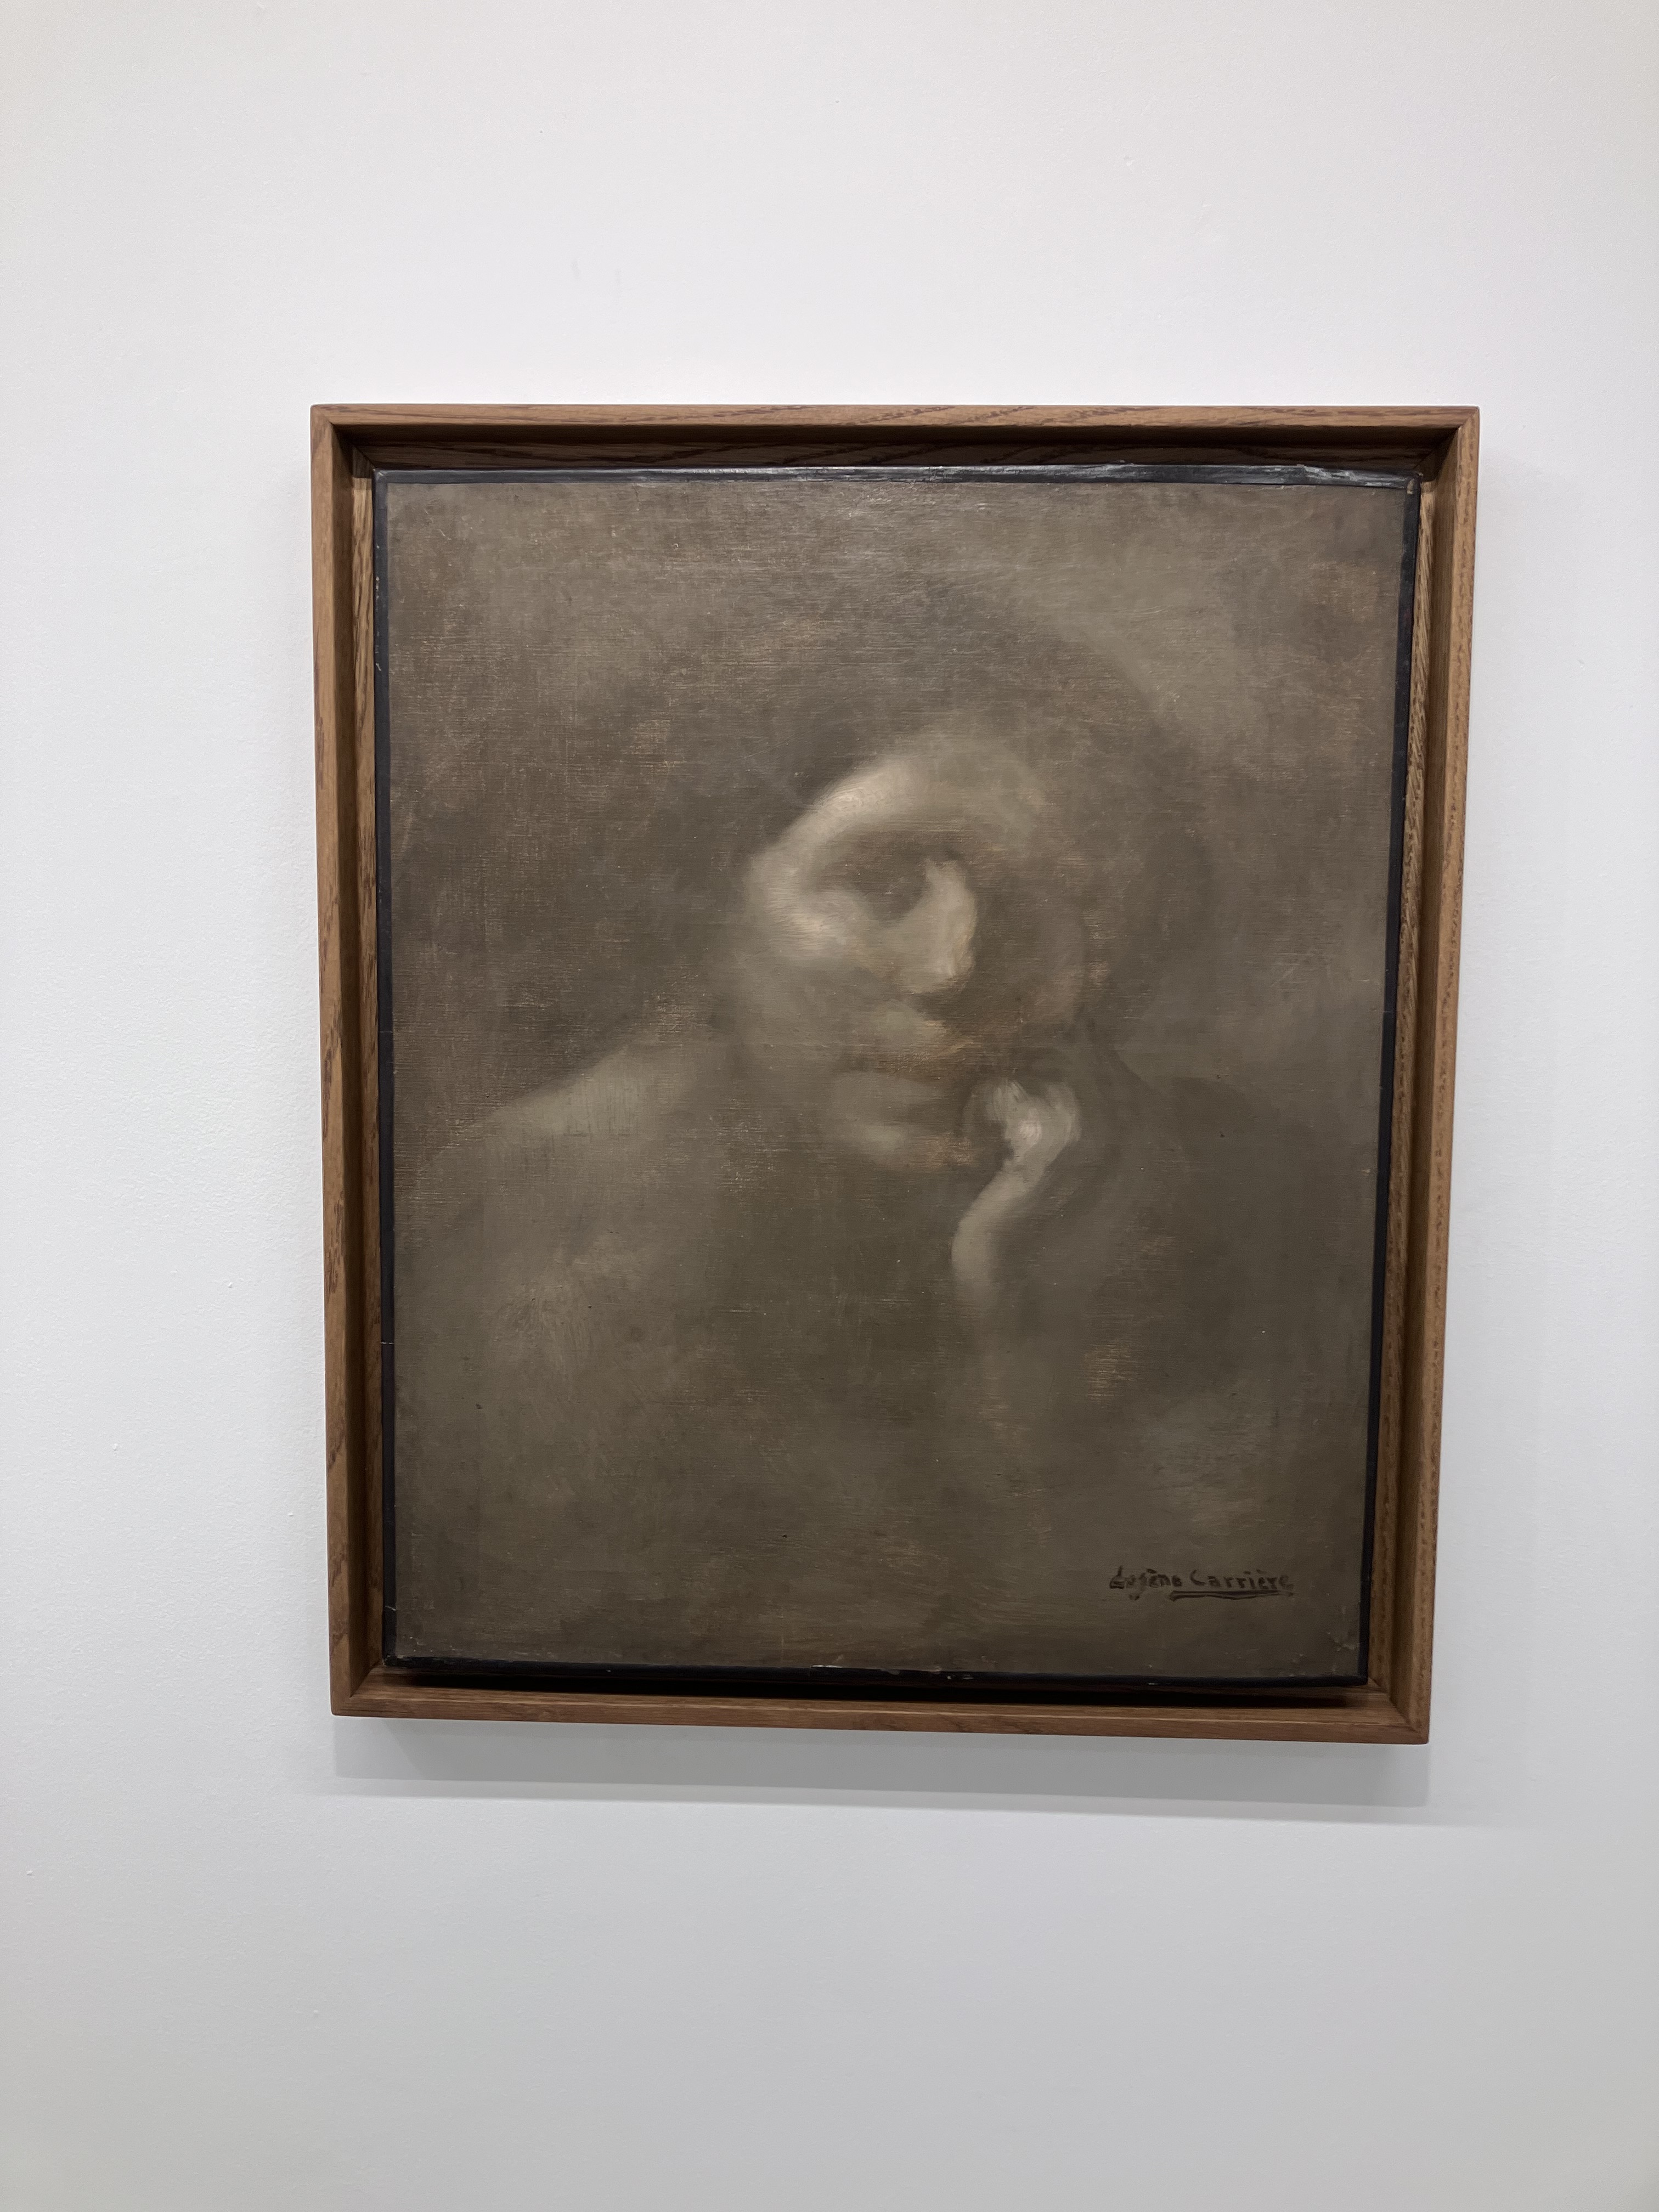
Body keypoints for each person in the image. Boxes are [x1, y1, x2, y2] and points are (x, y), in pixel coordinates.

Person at [391, 727, 1362, 1681]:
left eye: (1034, 897)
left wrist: (1036, 1348)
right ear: (715, 898)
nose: (952, 966)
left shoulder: (1261, 1201)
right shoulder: (522, 1214)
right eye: (881, 880)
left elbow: (1195, 1647)